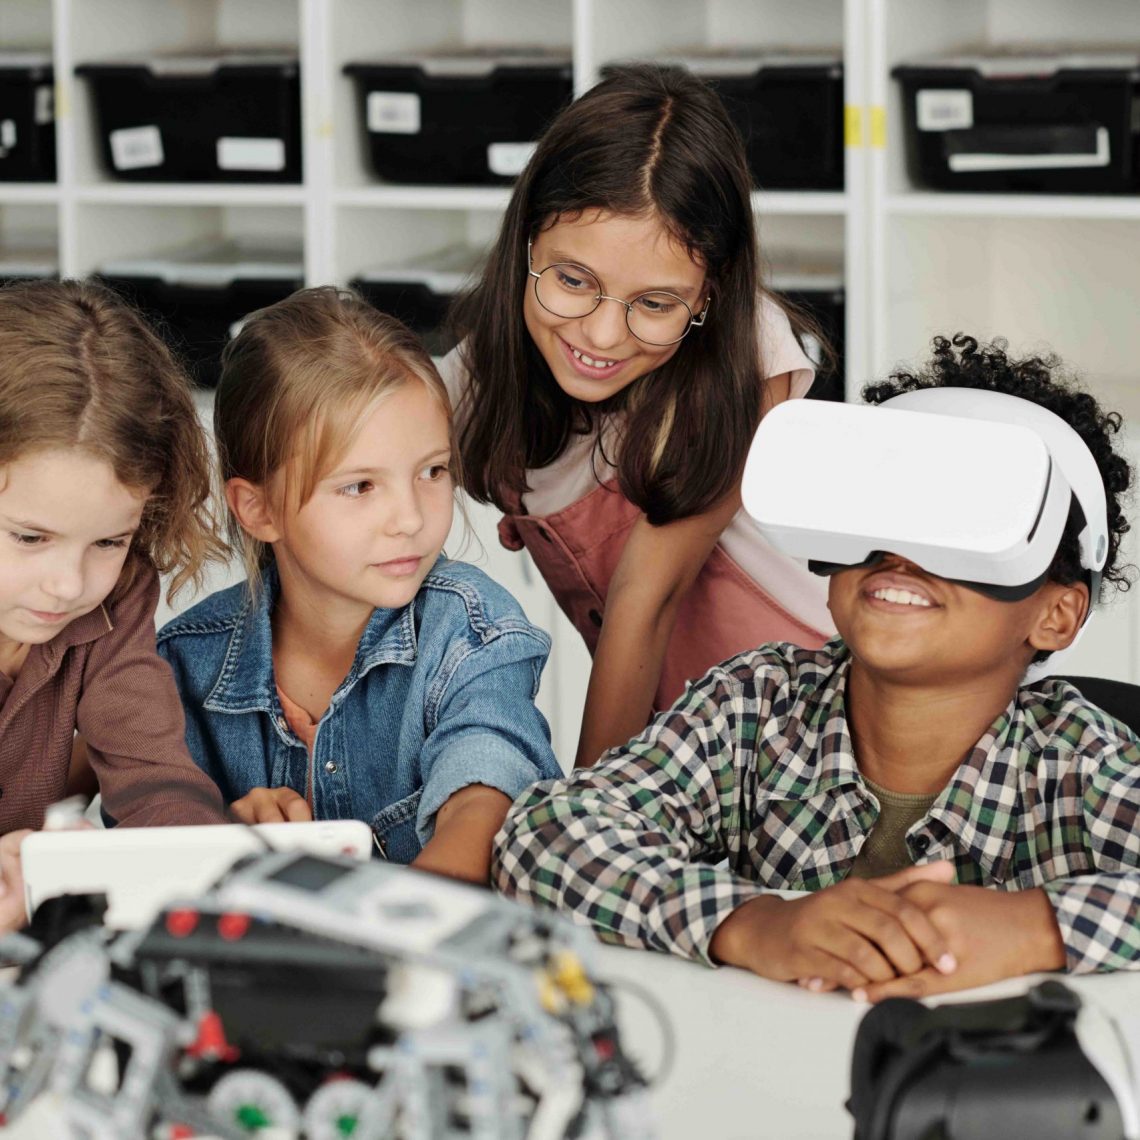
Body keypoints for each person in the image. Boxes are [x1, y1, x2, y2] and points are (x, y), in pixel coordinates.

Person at [493, 335, 1140, 999]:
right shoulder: (755, 705)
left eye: (964, 524)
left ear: (1055, 615)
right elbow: (544, 834)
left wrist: (1036, 928)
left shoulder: (1079, 764)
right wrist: (751, 923)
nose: (901, 553)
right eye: (882, 510)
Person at [445, 64, 833, 768]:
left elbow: (642, 604)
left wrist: (585, 825)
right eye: (572, 281)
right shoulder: (481, 372)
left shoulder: (744, 356)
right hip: (671, 746)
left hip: (803, 734)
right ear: (525, 243)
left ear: (709, 295)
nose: (600, 336)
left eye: (655, 304)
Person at [158, 288, 560, 884]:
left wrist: (389, 933)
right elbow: (140, 835)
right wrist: (215, 837)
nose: (410, 518)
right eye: (361, 486)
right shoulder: (184, 663)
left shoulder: (472, 630)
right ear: (259, 508)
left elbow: (484, 797)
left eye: (432, 471)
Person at [0, 279, 231, 929]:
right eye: (29, 537)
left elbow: (154, 776)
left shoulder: (116, 596)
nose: (69, 584)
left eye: (108, 540)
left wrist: (191, 865)